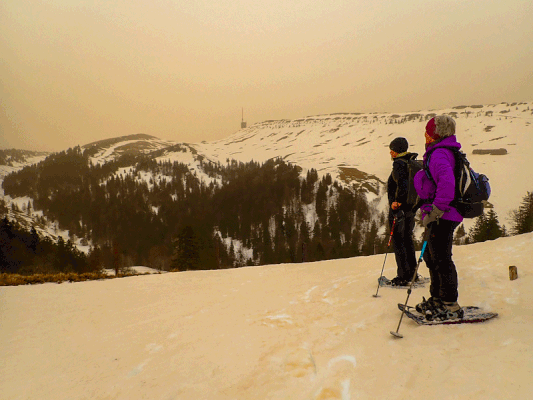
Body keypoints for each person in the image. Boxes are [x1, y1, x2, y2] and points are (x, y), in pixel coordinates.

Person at [413, 115, 464, 320]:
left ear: (437, 133)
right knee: (432, 256)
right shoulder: (441, 151)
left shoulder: (440, 154)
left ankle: (450, 303)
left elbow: (447, 183)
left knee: (441, 258)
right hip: (443, 213)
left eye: (428, 131)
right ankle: (437, 298)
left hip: (444, 213)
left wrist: (436, 210)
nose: (425, 135)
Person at [386, 137, 419, 286]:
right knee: (407, 240)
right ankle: (412, 274)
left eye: (392, 149)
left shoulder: (399, 164)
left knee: (399, 242)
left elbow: (403, 185)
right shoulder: (409, 162)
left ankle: (403, 277)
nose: (390, 152)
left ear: (397, 150)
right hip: (410, 209)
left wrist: (396, 202)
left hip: (400, 211)